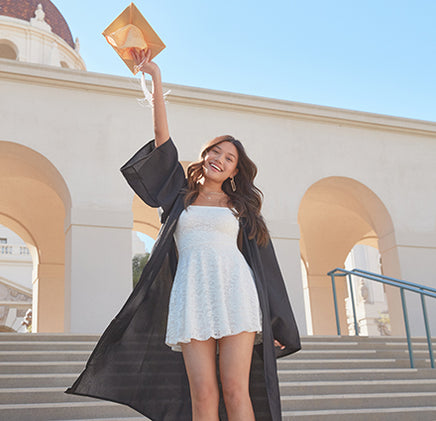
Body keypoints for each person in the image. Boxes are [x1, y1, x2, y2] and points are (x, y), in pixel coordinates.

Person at [65, 48, 301, 421]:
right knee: (202, 395)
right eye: (215, 152)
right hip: (191, 295)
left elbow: (265, 268)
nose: (218, 160)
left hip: (236, 293)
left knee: (237, 390)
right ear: (204, 155)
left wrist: (277, 323)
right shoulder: (179, 194)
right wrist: (155, 78)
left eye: (228, 158)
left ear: (235, 171)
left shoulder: (242, 207)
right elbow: (162, 139)